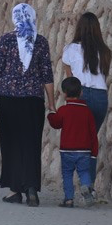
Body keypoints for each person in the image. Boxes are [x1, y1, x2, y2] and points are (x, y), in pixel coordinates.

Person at [0, 3, 55, 207]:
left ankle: (15, 190)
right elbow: (47, 75)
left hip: (8, 99)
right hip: (33, 101)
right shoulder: (41, 42)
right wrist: (51, 102)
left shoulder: (6, 40)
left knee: (11, 144)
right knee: (31, 143)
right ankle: (31, 188)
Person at [61, 12, 112, 189]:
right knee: (91, 141)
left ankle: (77, 181)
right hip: (100, 96)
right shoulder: (105, 52)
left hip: (80, 96)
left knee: (76, 141)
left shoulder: (70, 49)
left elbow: (70, 81)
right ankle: (88, 184)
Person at [47, 77, 98, 208]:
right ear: (81, 92)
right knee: (84, 172)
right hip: (84, 150)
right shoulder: (87, 112)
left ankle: (69, 199)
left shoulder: (64, 110)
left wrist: (51, 113)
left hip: (67, 150)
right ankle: (86, 186)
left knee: (67, 174)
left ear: (64, 94)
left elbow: (56, 123)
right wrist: (94, 153)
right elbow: (93, 134)